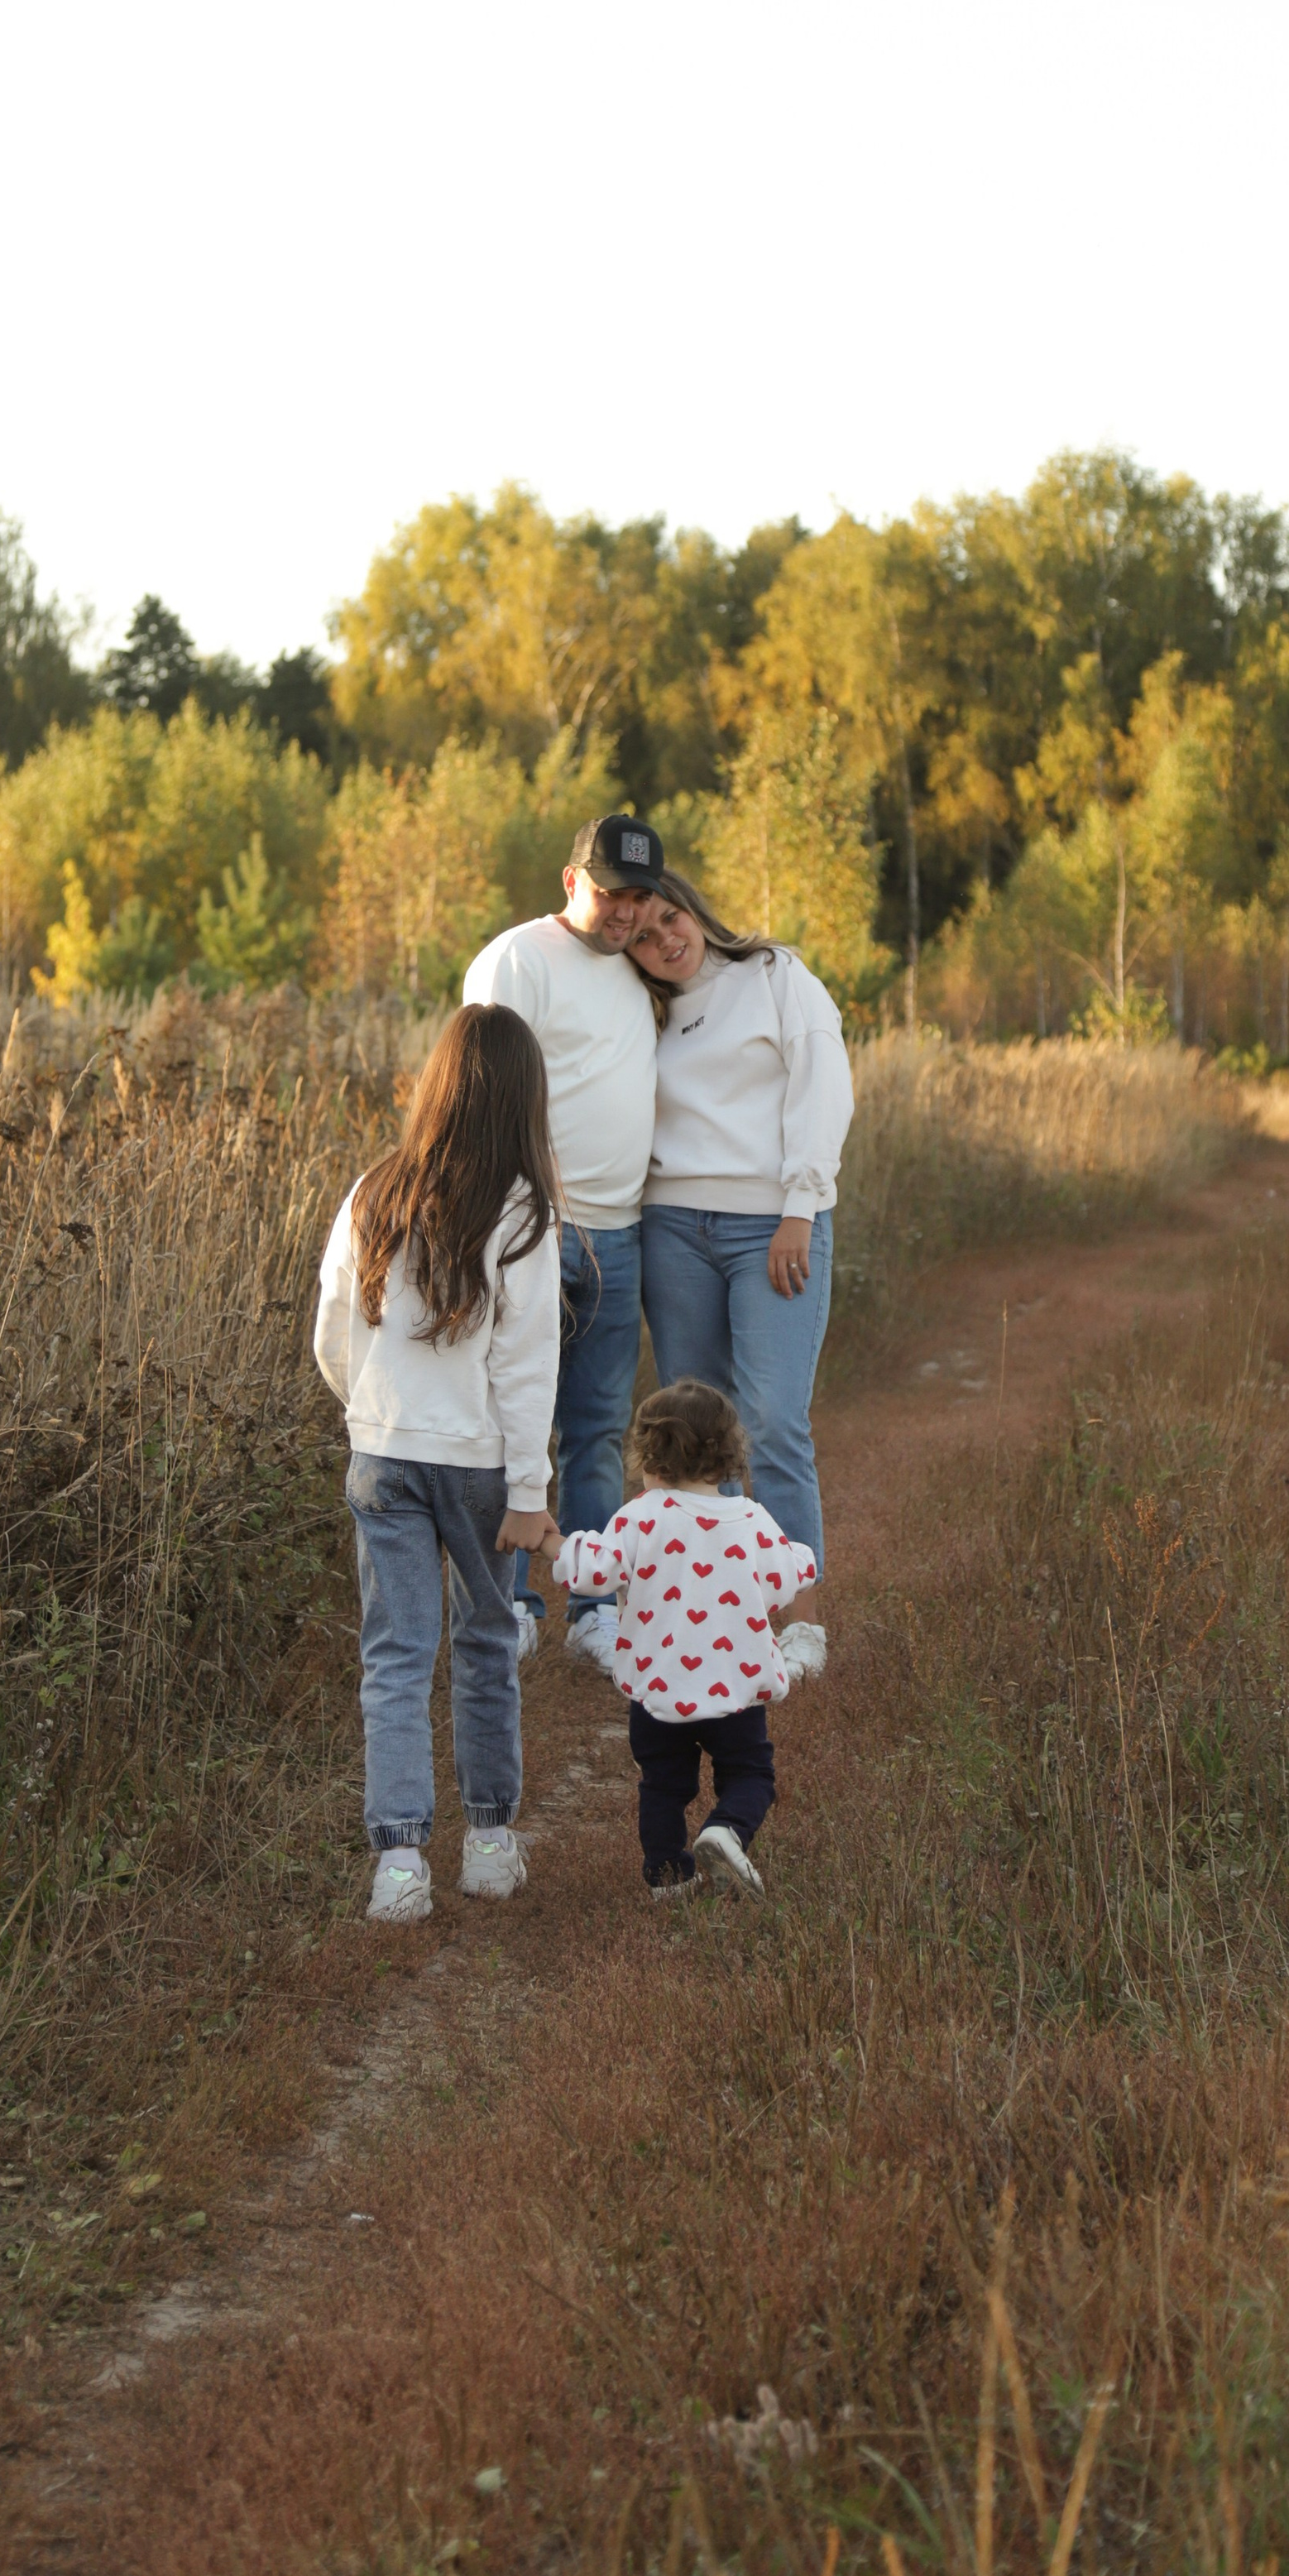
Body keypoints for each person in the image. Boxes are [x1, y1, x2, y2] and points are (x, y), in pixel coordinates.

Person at [314, 1003, 561, 1925]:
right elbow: (526, 1366)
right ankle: (489, 1845)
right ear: (521, 1098)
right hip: (479, 1465)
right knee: (487, 1644)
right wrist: (531, 1494)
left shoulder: (373, 1190)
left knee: (395, 1657)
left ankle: (400, 1864)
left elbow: (334, 1333)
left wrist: (371, 1413)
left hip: (383, 1453)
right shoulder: (524, 1212)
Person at [462, 813, 662, 1672]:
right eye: (610, 890)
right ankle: (506, 1603)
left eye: (638, 896)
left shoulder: (640, 971)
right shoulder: (516, 960)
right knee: (513, 1425)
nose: (623, 911)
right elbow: (478, 1093)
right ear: (570, 880)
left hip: (619, 1233)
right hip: (531, 1229)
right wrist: (504, 1217)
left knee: (595, 1429)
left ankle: (591, 1606)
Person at [628, 867, 853, 1573]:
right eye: (641, 937)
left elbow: (824, 1083)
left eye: (671, 918)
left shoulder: (774, 975)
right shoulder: (644, 1010)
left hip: (771, 1227)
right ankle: (715, 1605)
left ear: (693, 908)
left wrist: (800, 1205)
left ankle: (797, 1616)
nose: (665, 940)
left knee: (775, 1424)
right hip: (672, 1231)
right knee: (695, 1435)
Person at [553, 1376, 824, 1899]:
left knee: (663, 1785)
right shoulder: (751, 1520)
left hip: (658, 1691)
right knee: (751, 1775)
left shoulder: (639, 1518)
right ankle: (726, 1830)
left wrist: (553, 1545)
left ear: (649, 1457)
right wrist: (799, 1561)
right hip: (736, 1689)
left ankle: (667, 1879)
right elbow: (787, 1578)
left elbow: (593, 1572)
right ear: (727, 1457)